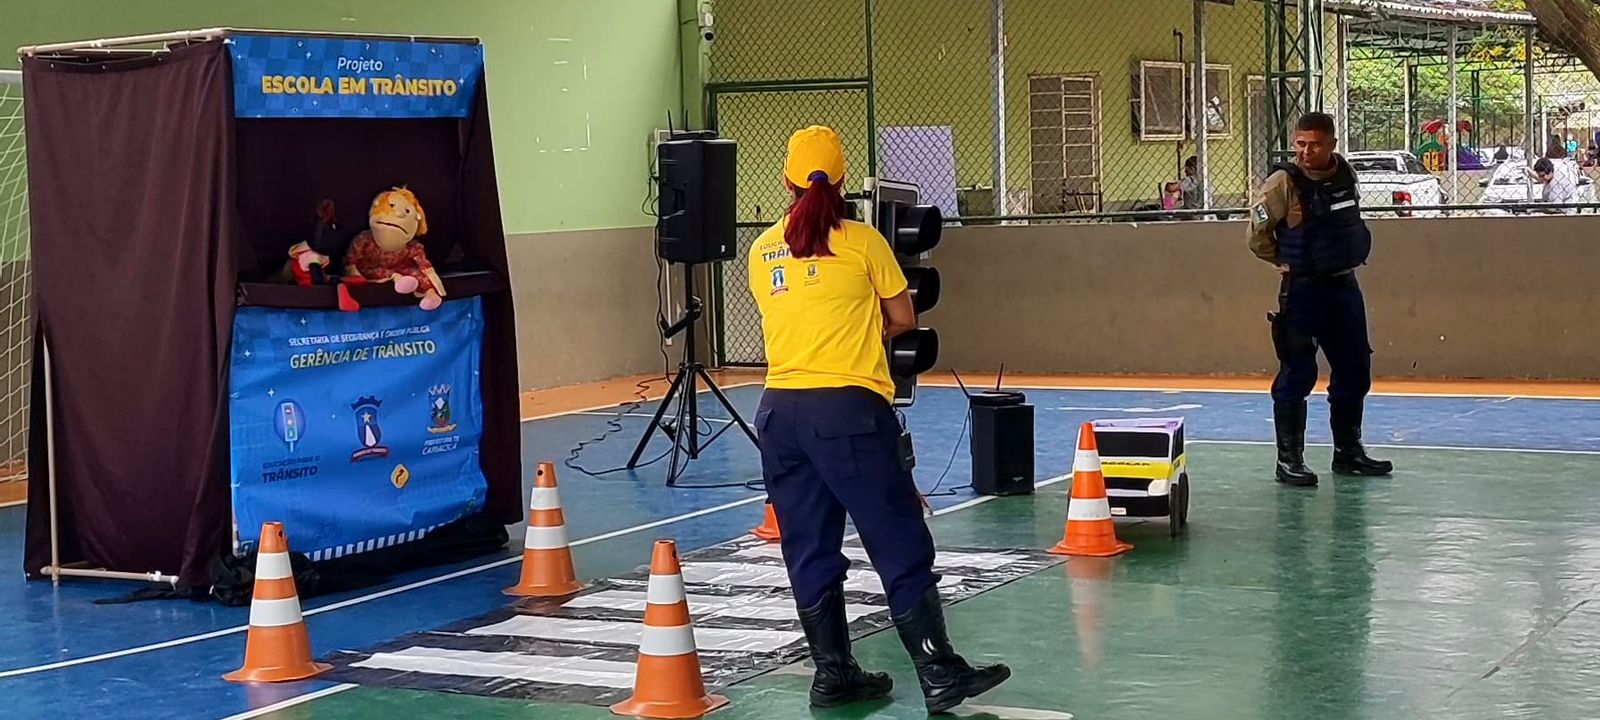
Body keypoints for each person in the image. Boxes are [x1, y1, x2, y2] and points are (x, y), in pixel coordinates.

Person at [746, 125, 1011, 713]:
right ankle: (938, 671)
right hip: (848, 411)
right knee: (896, 537)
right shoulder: (865, 242)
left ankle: (833, 674)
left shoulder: (762, 252)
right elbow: (903, 318)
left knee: (809, 546)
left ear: (786, 181)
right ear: (842, 182)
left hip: (779, 415)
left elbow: (788, 317)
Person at [1246, 112, 1393, 487]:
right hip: (1303, 290)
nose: (1305, 151)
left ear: (1331, 145)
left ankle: (1348, 452)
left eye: (1313, 144)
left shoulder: (1345, 174)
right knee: (1298, 372)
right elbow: (1257, 234)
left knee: (1355, 369)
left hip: (1344, 287)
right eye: (1300, 144)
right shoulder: (1283, 182)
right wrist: (1284, 260)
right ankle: (1289, 460)